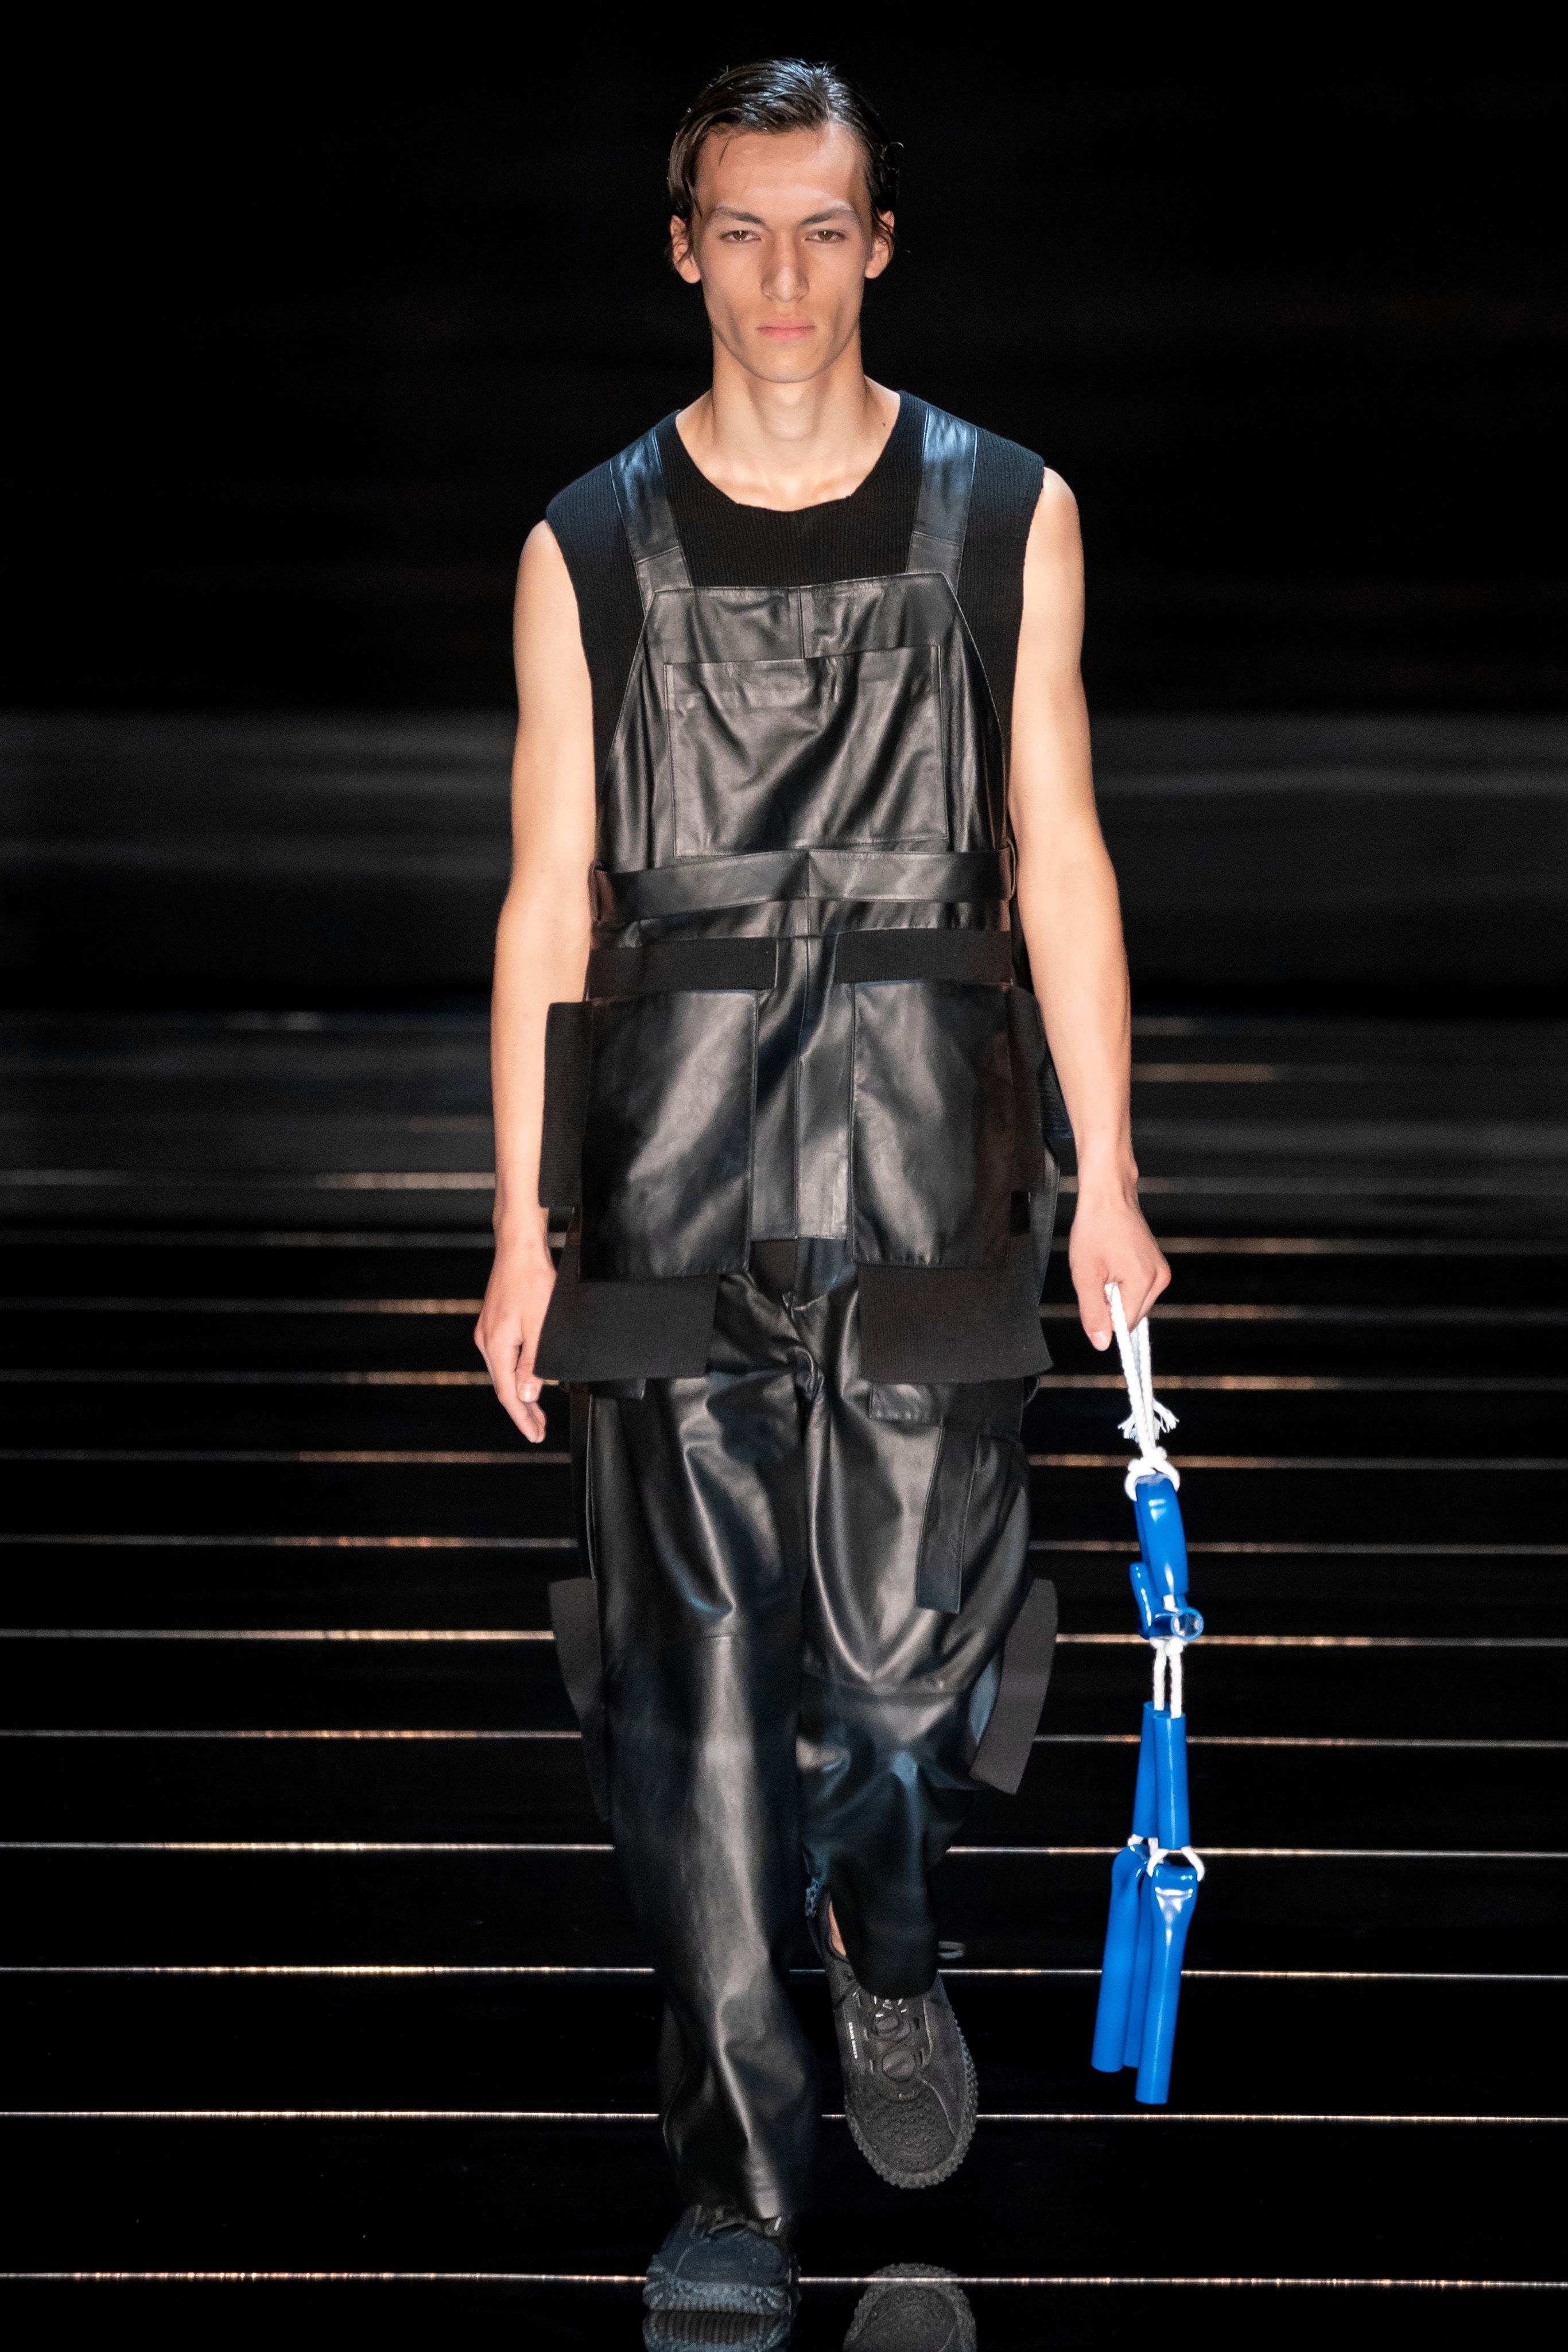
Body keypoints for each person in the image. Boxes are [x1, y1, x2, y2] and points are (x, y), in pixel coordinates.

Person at [476, 57, 1169, 2352]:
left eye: (822, 227)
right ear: (684, 249)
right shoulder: (585, 544)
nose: (782, 275)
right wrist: (518, 1222)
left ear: (879, 244)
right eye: (741, 229)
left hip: (921, 1154)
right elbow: (549, 891)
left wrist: (1109, 1175)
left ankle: (890, 1943)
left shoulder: (1004, 512)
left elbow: (1056, 850)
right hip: (665, 1170)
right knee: (688, 1703)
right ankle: (733, 2182)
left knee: (890, 1683)